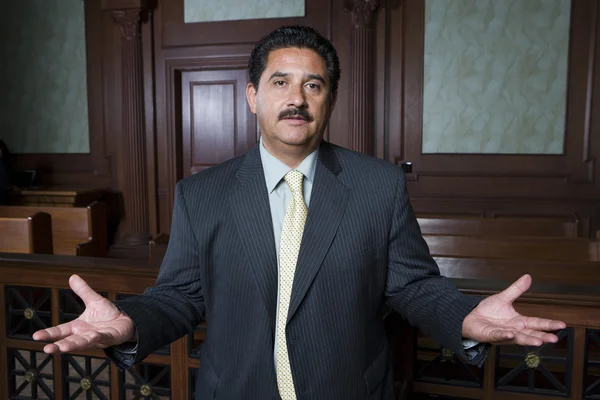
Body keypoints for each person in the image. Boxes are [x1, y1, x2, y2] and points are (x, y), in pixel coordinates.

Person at [33, 26, 565, 399]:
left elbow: (413, 286)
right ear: (251, 96)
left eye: (313, 85)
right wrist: (127, 323)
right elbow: (181, 296)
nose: (297, 98)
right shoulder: (202, 193)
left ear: (329, 101)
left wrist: (466, 318)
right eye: (280, 82)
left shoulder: (377, 185)